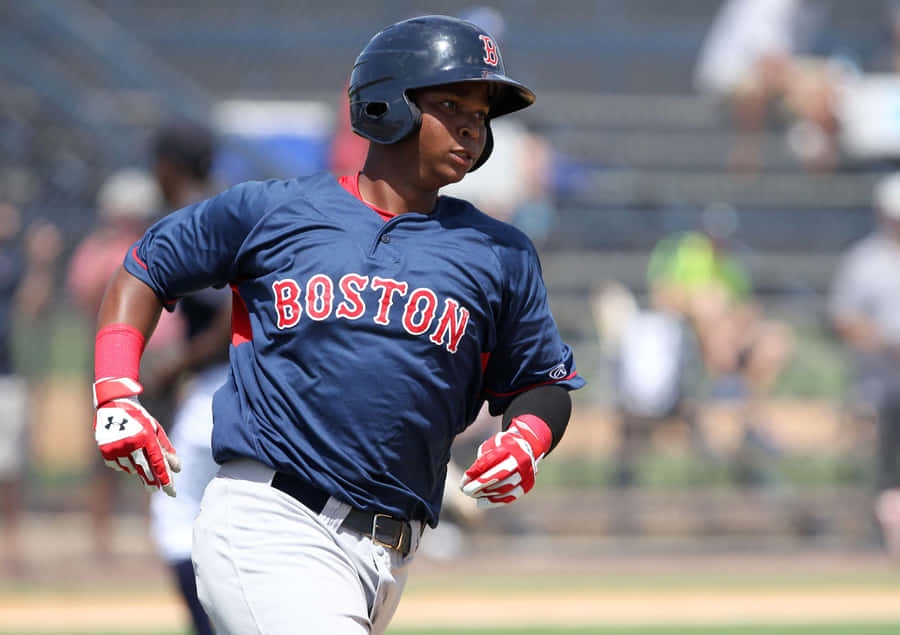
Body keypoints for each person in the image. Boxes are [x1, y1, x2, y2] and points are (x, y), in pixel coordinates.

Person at [90, 15, 584, 635]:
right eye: (451, 104)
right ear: (387, 103)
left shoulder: (500, 252)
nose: (471, 126)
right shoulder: (277, 210)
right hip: (271, 520)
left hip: (388, 554)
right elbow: (146, 267)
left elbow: (541, 382)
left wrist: (526, 439)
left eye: (481, 114)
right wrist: (115, 390)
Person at [67, 168, 183, 561]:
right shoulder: (99, 251)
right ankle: (101, 541)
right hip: (116, 360)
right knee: (108, 448)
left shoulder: (161, 244)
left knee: (161, 446)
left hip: (160, 360)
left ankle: (156, 536)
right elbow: (86, 299)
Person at [143, 120, 225, 635]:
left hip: (224, 385)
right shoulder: (223, 207)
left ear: (168, 166)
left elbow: (232, 312)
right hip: (247, 385)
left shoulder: (194, 219)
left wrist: (180, 362)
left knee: (174, 512)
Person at [829, 172, 900, 556]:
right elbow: (844, 318)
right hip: (881, 384)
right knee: (885, 463)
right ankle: (881, 533)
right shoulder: (865, 261)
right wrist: (885, 344)